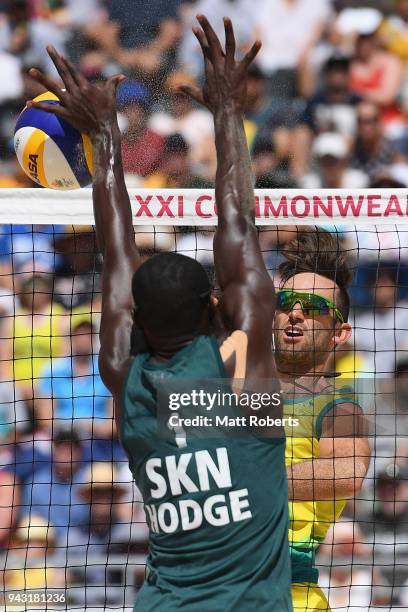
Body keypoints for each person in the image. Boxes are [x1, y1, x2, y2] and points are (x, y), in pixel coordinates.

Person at [28, 15, 292, 612]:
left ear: (136, 322)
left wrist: (103, 140)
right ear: (216, 307)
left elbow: (116, 251)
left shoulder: (129, 379)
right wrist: (227, 111)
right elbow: (237, 221)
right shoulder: (244, 375)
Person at [273, 228, 371, 612]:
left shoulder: (337, 406)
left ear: (339, 334)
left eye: (313, 307)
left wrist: (242, 479)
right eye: (286, 301)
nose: (295, 312)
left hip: (286, 595)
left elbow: (347, 470)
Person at [35, 318, 121, 462]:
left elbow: (114, 425)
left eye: (88, 335)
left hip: (99, 443)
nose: (83, 339)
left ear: (94, 339)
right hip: (59, 441)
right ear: (71, 338)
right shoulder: (52, 371)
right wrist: (77, 428)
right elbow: (45, 420)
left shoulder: (108, 371)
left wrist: (85, 426)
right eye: (79, 334)